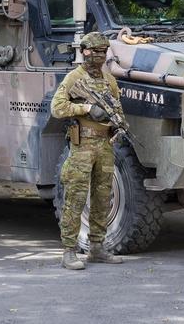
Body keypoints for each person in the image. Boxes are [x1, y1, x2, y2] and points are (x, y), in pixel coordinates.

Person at [50, 32, 124, 270]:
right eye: (96, 51)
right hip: (82, 146)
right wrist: (87, 108)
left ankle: (97, 247)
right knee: (75, 197)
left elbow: (118, 109)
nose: (100, 56)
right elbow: (57, 108)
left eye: (104, 51)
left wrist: (117, 125)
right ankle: (69, 251)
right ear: (85, 51)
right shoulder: (74, 78)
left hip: (104, 145)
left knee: (103, 198)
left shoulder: (109, 80)